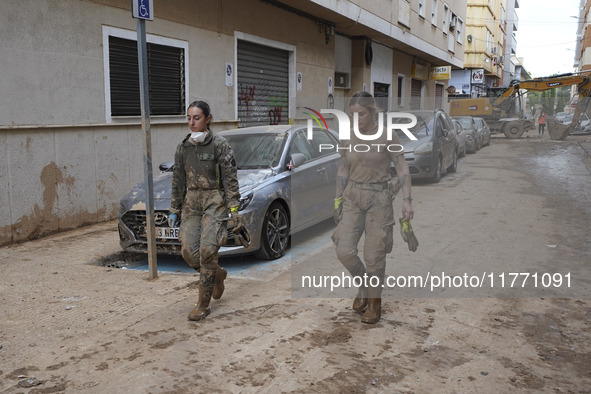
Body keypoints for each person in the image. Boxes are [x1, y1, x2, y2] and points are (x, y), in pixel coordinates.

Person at [332, 91, 415, 324]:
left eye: (361, 114)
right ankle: (364, 288)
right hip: (352, 196)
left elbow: (401, 168)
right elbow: (342, 169)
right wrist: (337, 198)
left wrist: (407, 200)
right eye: (352, 114)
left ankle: (375, 303)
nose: (356, 118)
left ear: (372, 112)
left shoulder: (388, 136)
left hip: (379, 198)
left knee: (374, 255)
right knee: (344, 250)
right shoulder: (347, 137)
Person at [168, 100, 242, 322]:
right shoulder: (183, 147)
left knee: (208, 250)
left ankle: (203, 304)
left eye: (196, 118)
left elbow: (230, 179)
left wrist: (234, 209)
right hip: (191, 201)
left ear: (208, 119)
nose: (191, 122)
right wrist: (174, 208)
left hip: (214, 200)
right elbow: (177, 179)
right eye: (189, 118)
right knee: (189, 252)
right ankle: (217, 274)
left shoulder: (220, 145)